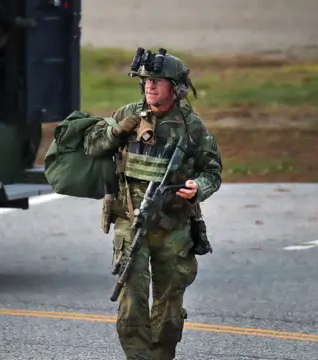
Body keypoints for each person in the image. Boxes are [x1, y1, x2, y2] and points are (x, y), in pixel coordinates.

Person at [83, 50, 223, 360]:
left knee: (169, 301)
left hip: (173, 226)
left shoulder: (191, 126)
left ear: (177, 88)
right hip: (131, 220)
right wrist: (117, 131)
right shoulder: (128, 114)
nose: (150, 87)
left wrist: (197, 188)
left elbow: (212, 171)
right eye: (146, 81)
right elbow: (92, 147)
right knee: (131, 297)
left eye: (157, 81)